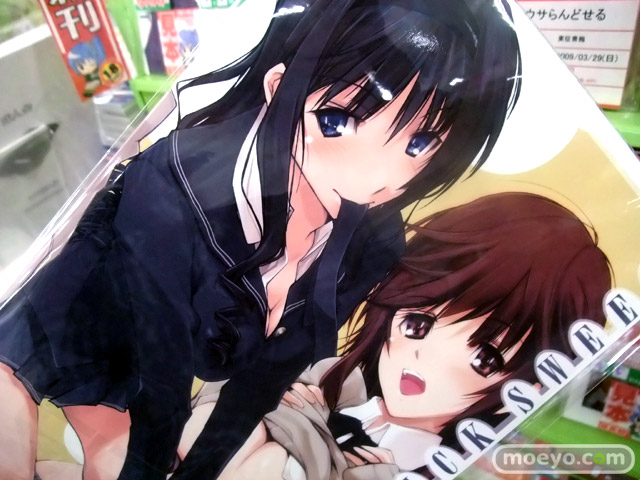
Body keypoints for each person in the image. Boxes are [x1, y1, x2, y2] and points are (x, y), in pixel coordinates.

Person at [0, 1, 521, 479]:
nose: (373, 175)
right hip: (58, 328)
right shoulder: (176, 180)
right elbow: (163, 380)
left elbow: (262, 384)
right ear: (278, 87)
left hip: (133, 378)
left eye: (420, 142)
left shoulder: (373, 242)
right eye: (338, 120)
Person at [180, 192, 612, 479]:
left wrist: (310, 434)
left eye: (486, 357)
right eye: (418, 325)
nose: (426, 358)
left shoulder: (441, 464)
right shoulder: (335, 381)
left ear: (530, 383)